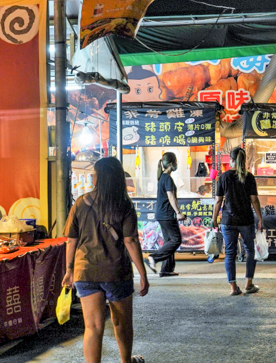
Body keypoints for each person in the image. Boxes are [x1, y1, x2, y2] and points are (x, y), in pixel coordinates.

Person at [63, 157, 149, 363]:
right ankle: (126, 361)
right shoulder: (124, 205)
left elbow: (71, 241)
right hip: (116, 272)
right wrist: (142, 273)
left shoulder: (80, 203)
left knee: (93, 327)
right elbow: (130, 241)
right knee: (122, 323)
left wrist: (69, 270)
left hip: (86, 271)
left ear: (98, 177)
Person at [212, 147, 263, 295]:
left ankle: (233, 287)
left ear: (231, 160)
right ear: (244, 159)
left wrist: (214, 219)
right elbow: (254, 200)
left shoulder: (224, 177)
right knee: (250, 250)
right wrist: (260, 218)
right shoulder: (249, 177)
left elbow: (218, 201)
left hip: (228, 220)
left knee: (229, 253)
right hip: (246, 219)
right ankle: (248, 284)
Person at [145, 153, 185, 277]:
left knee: (168, 241)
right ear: (172, 164)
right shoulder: (167, 178)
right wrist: (178, 212)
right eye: (176, 162)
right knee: (176, 240)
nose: (177, 164)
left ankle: (166, 269)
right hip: (167, 214)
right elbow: (171, 196)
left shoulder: (162, 177)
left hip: (161, 214)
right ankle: (153, 258)